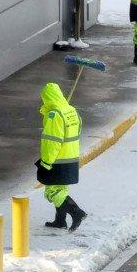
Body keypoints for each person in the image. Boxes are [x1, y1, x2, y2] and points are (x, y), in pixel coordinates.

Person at [36, 82, 87, 231]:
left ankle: (77, 212)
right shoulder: (71, 110)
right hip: (71, 157)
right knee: (61, 189)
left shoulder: (54, 115)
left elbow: (51, 142)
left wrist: (46, 162)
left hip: (58, 159)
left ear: (47, 98)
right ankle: (60, 221)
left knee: (53, 191)